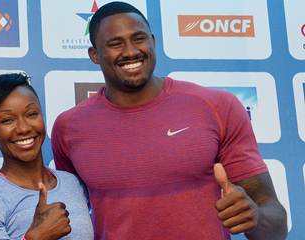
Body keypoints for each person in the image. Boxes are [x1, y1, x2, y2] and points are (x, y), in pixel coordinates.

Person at [51, 2, 287, 239]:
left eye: (139, 38)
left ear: (152, 41)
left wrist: (257, 218)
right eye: (115, 44)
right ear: (94, 54)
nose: (131, 51)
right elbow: (72, 221)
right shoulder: (68, 128)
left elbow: (275, 224)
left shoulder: (217, 106)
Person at [0, 73, 94, 240]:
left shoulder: (73, 183)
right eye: (8, 120)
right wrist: (36, 237)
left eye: (32, 114)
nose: (23, 128)